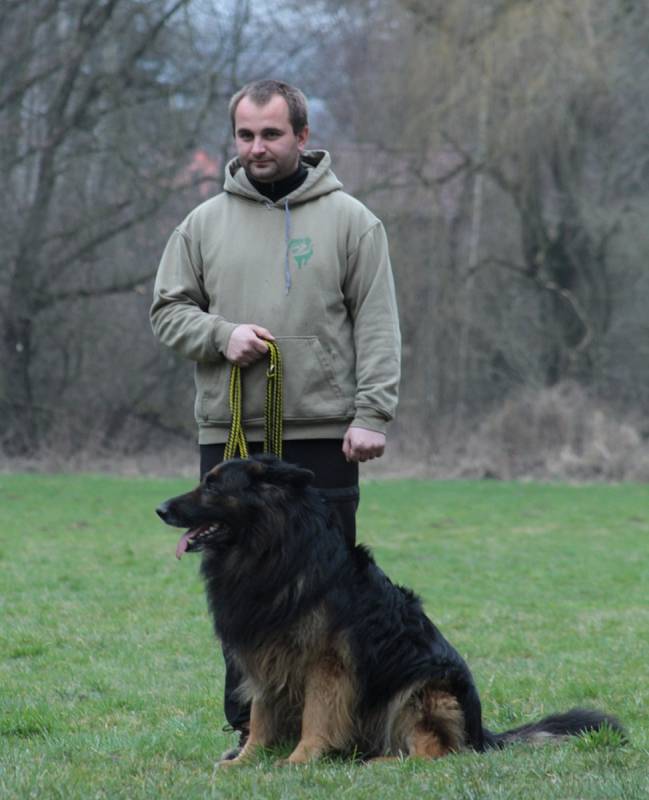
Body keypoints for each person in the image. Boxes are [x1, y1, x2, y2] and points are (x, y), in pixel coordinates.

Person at [150, 79, 401, 755]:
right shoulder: (201, 223)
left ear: (302, 136)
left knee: (327, 600)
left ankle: (332, 731)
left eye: (270, 134)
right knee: (239, 595)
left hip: (322, 435)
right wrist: (218, 334)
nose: (256, 148)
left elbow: (378, 325)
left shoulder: (352, 220)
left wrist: (372, 413)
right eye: (245, 135)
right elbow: (167, 310)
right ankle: (250, 731)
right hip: (230, 435)